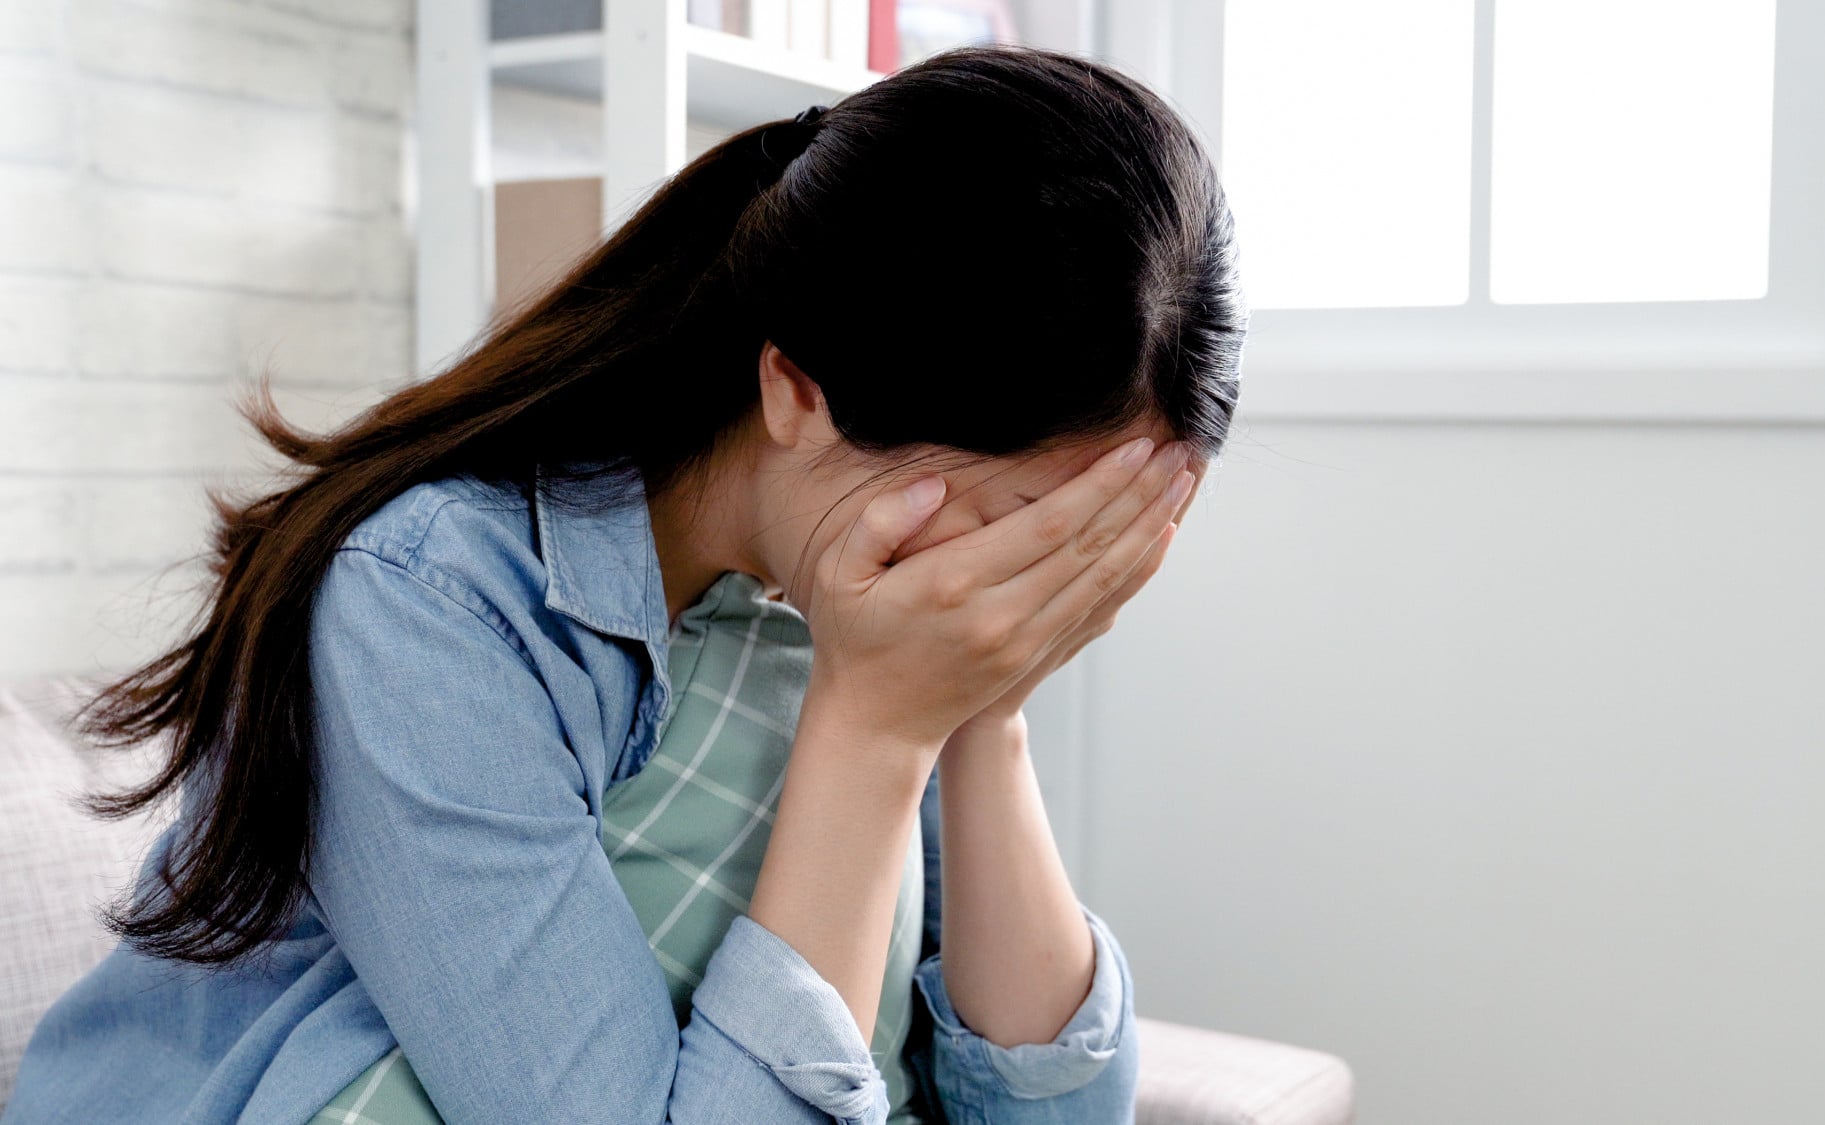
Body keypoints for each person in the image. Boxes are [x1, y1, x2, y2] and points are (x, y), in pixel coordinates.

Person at [2, 41, 1243, 1124]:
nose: (1023, 580)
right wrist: (874, 727)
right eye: (1023, 523)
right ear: (795, 392)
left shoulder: (859, 600)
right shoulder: (427, 602)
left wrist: (987, 712)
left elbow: (1054, 1115)